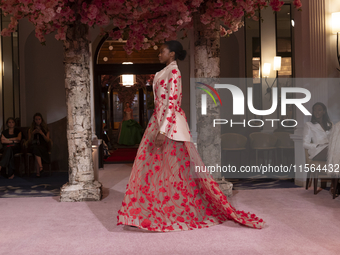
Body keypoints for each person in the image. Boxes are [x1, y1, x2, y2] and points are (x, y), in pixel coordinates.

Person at [117, 40, 265, 231]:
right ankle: (148, 211)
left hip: (168, 127)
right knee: (153, 169)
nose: (159, 54)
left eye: (162, 51)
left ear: (172, 54)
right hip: (157, 122)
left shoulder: (174, 72)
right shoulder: (165, 71)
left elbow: (173, 103)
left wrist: (163, 130)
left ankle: (171, 211)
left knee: (175, 172)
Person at [27, 113, 51, 177]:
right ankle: (41, 168)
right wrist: (32, 134)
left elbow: (48, 140)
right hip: (33, 146)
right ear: (34, 120)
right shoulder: (31, 129)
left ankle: (38, 172)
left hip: (42, 146)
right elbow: (29, 141)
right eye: (36, 119)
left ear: (41, 120)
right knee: (35, 148)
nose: (38, 121)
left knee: (37, 150)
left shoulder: (46, 129)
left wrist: (42, 133)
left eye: (39, 119)